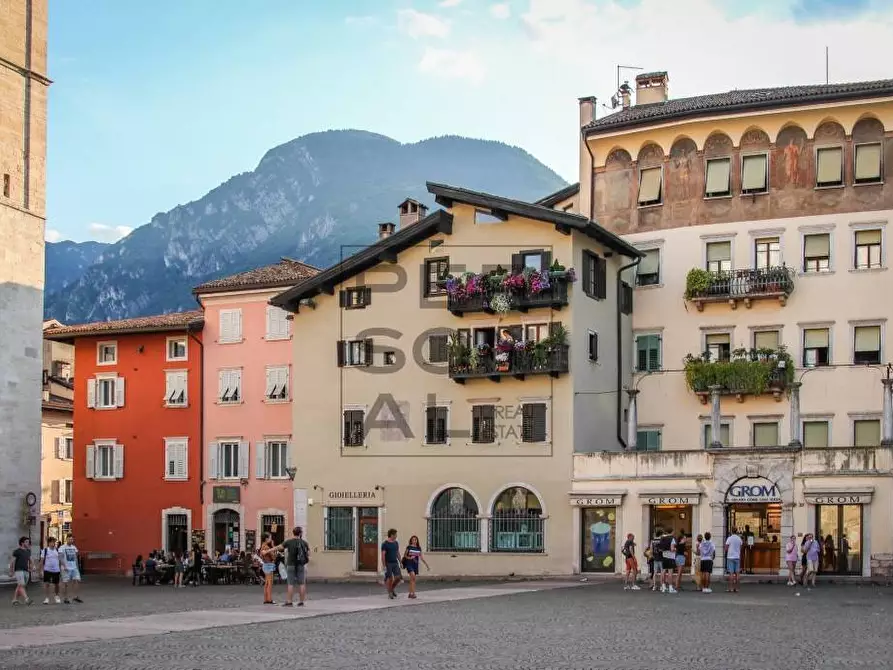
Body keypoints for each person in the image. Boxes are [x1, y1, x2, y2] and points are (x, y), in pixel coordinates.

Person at [274, 526, 310, 607]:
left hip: (291, 565)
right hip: (300, 565)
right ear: (300, 533)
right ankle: (301, 602)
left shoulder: (289, 542)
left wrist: (267, 551)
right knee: (302, 583)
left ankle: (289, 602)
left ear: (293, 533)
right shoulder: (304, 543)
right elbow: (308, 554)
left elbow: (278, 547)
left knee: (290, 584)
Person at [9, 536, 33, 606]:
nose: (28, 543)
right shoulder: (17, 551)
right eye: (26, 542)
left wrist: (32, 567)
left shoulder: (28, 551)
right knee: (21, 585)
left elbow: (31, 560)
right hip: (19, 570)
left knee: (20, 586)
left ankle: (14, 599)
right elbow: (12, 561)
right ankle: (27, 599)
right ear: (22, 543)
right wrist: (11, 571)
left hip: (26, 570)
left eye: (28, 542)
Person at [60, 535, 83, 603]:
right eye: (69, 539)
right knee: (66, 583)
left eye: (72, 539)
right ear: (66, 539)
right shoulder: (62, 547)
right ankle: (65, 598)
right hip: (66, 568)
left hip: (74, 568)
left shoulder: (74, 547)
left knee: (76, 581)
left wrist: (77, 567)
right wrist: (64, 566)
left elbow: (75, 558)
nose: (71, 540)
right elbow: (60, 558)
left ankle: (75, 596)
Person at [381, 528, 402, 599]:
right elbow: (383, 555)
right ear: (392, 535)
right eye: (395, 534)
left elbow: (397, 553)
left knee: (398, 577)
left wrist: (400, 562)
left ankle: (391, 589)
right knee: (390, 579)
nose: (396, 536)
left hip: (395, 562)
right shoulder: (385, 544)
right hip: (388, 563)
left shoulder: (396, 543)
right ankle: (390, 593)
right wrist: (384, 566)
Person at [40, 537, 62, 604]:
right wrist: (40, 570)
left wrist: (60, 569)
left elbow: (60, 560)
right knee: (47, 584)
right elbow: (41, 561)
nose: (53, 543)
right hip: (47, 569)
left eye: (54, 542)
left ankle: (57, 596)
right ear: (49, 543)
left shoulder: (57, 550)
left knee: (57, 584)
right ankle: (47, 598)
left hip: (56, 570)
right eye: (52, 542)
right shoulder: (45, 550)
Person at [260, 535, 277, 604]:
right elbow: (273, 557)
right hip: (269, 565)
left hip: (265, 565)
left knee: (266, 583)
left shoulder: (262, 546)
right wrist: (273, 546)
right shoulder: (267, 547)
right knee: (270, 583)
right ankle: (269, 599)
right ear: (266, 539)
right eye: (270, 538)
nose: (271, 539)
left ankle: (266, 599)